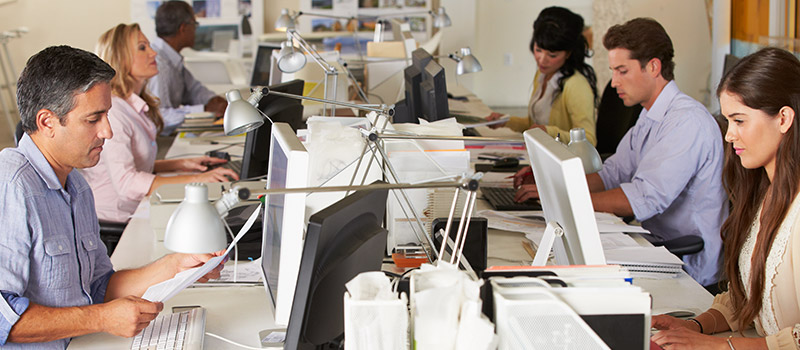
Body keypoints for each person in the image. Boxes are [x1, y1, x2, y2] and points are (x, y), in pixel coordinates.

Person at [0, 45, 223, 348]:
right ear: (47, 122)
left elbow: (99, 286)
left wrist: (175, 267)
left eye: (107, 116)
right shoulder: (11, 186)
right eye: (93, 119)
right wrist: (102, 318)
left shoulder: (76, 185)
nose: (107, 131)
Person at [514, 18, 727, 287]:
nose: (614, 83)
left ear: (653, 67)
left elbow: (644, 198)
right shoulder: (651, 115)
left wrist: (568, 199)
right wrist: (552, 184)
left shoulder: (687, 122)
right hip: (653, 247)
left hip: (685, 264)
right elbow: (612, 173)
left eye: (622, 71)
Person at [652, 47, 800, 350]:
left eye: (740, 121)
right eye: (728, 121)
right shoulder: (766, 192)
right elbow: (747, 294)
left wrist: (721, 346)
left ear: (783, 118)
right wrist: (696, 325)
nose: (729, 135)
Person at [80, 23, 238, 224]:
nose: (153, 53)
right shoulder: (115, 113)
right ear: (121, 59)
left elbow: (135, 163)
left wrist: (183, 164)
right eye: (142, 48)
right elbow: (127, 182)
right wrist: (197, 180)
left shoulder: (133, 104)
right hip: (118, 219)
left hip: (136, 207)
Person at [486, 6, 598, 144]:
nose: (542, 60)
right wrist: (506, 121)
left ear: (568, 53)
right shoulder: (543, 74)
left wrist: (549, 132)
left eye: (552, 55)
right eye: (538, 50)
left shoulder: (576, 86)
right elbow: (535, 124)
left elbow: (589, 140)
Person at [146, 0, 228, 134]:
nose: (196, 30)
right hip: (160, 141)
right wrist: (204, 109)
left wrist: (213, 100)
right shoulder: (159, 64)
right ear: (183, 28)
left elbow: (193, 90)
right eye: (195, 24)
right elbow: (160, 116)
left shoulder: (172, 59)